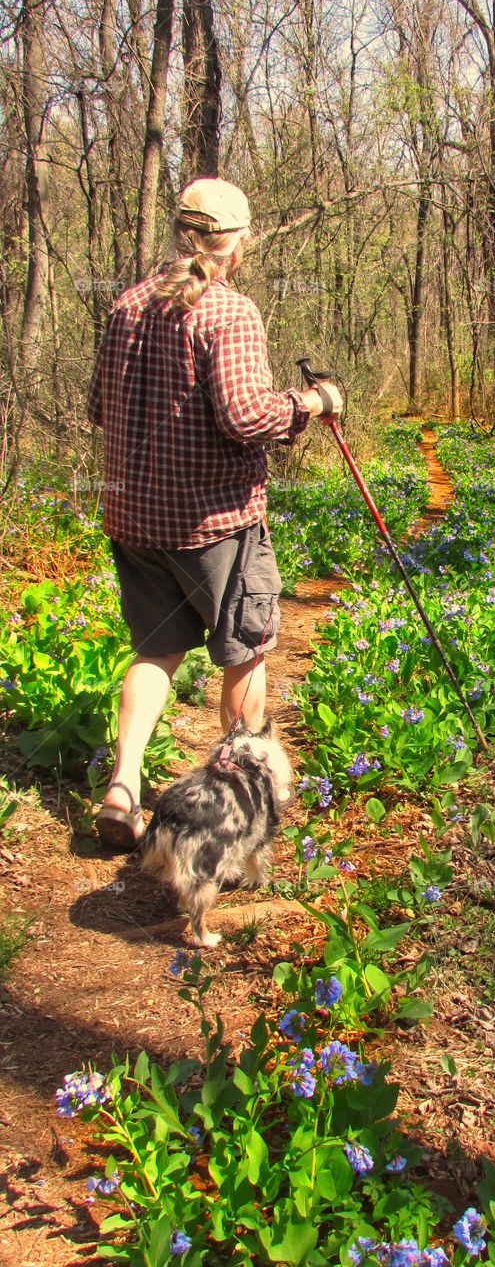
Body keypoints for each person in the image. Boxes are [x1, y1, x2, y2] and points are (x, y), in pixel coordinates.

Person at [86, 177, 342, 848]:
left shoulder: (126, 305)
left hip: (135, 517)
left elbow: (98, 408)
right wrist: (312, 403)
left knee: (155, 651)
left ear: (180, 232)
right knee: (245, 653)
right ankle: (236, 810)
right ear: (237, 242)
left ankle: (122, 787)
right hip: (215, 522)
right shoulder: (228, 311)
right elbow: (246, 417)